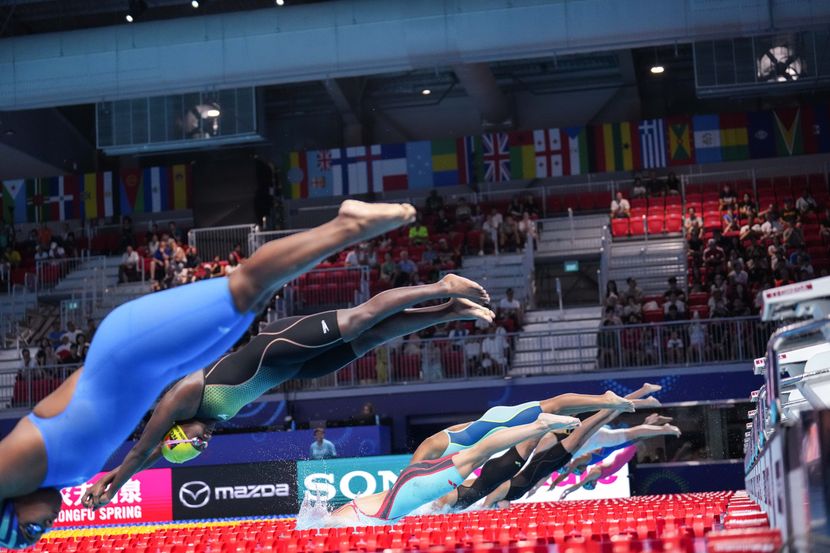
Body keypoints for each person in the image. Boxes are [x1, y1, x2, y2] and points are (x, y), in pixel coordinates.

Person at [0, 199, 415, 550]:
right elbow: (146, 451)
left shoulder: (21, 465)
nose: (46, 527)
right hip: (159, 362)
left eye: (30, 529)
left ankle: (348, 224)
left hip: (131, 348)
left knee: (248, 286)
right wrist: (116, 479)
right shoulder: (60, 475)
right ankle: (349, 228)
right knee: (255, 296)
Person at [82, 275, 493, 509]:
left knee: (359, 320)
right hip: (297, 367)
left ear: (176, 430)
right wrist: (116, 479)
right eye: (201, 448)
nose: (204, 442)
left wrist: (111, 485)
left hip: (278, 345)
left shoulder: (182, 398)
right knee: (371, 338)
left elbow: (141, 449)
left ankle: (442, 286)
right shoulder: (201, 421)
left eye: (195, 442)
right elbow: (157, 455)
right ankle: (448, 311)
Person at [320, 413, 582, 526]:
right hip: (409, 482)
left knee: (477, 454)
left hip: (415, 489)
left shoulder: (346, 521)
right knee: (477, 452)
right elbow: (323, 518)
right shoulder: (351, 509)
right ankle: (533, 426)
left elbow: (325, 523)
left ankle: (537, 426)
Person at [559, 445, 638, 500]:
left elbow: (579, 484)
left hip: (620, 458)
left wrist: (567, 492)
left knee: (635, 441)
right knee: (634, 441)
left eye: (594, 485)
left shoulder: (594, 474)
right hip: (619, 459)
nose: (596, 484)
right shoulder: (595, 473)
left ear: (591, 483)